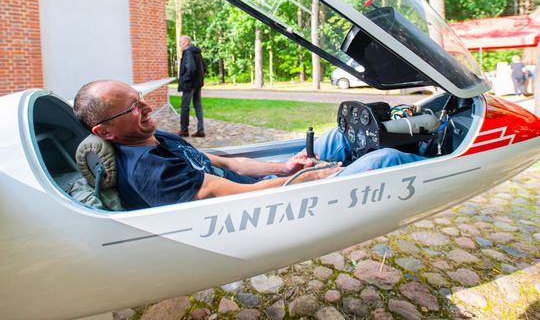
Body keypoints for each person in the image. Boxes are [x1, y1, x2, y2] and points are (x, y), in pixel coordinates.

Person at [74, 80, 425, 210]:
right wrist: (315, 176)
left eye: (139, 97)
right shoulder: (150, 172)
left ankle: (417, 132)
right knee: (384, 160)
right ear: (105, 132)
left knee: (337, 136)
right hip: (263, 207)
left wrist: (284, 167)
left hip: (263, 186)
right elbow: (244, 196)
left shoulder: (154, 137)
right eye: (132, 108)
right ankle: (432, 159)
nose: (146, 107)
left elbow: (227, 163)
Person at [178, 35, 206, 137]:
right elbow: (204, 67)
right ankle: (200, 130)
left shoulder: (188, 52)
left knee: (184, 107)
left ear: (186, 42)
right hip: (197, 83)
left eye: (180, 42)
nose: (179, 44)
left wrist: (184, 80)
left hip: (189, 84)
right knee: (198, 105)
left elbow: (191, 68)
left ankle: (184, 130)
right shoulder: (197, 52)